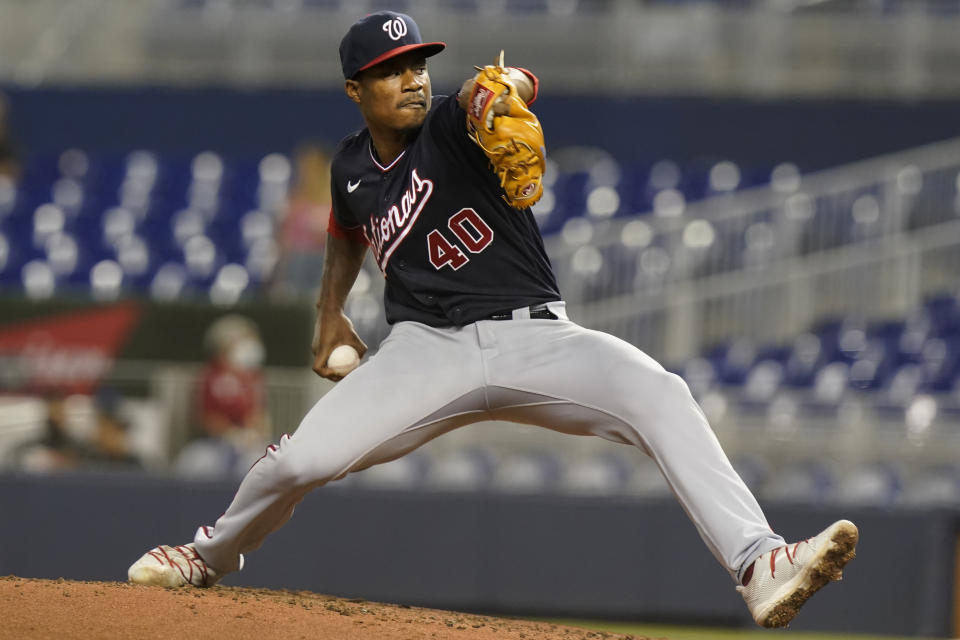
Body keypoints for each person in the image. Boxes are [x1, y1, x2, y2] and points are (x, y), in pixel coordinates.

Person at [127, 11, 858, 629]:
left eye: (417, 63)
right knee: (298, 461)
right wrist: (328, 318)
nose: (413, 77)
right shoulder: (351, 169)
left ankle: (760, 561)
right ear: (356, 90)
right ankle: (205, 556)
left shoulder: (454, 121)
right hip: (425, 350)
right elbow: (345, 233)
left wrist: (504, 91)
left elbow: (500, 85)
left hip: (534, 337)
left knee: (660, 392)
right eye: (391, 70)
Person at [172, 314, 270, 478]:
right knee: (199, 464)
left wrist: (253, 434)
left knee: (265, 464)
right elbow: (207, 418)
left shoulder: (254, 376)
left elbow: (258, 414)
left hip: (249, 444)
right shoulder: (212, 375)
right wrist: (234, 435)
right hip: (215, 444)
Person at [272, 141, 333, 299]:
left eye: (313, 167)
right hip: (298, 265)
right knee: (298, 259)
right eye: (304, 167)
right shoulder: (294, 201)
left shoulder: (338, 199)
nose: (308, 173)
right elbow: (285, 241)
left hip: (328, 263)